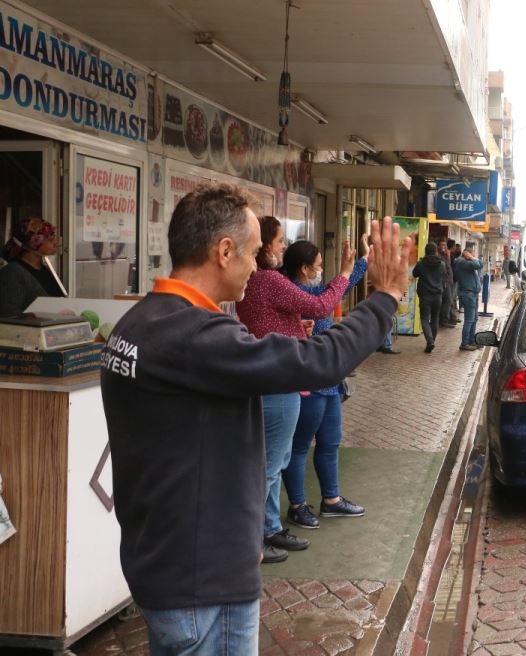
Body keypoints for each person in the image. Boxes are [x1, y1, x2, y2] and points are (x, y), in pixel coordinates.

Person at [100, 184, 407, 655]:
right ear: (224, 251)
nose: (260, 264)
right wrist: (383, 297)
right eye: (253, 253)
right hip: (204, 582)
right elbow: (318, 361)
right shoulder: (193, 337)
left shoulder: (139, 323)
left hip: (166, 564)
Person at [236, 216, 357, 563]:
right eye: (277, 243)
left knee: (277, 460)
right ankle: (257, 539)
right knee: (272, 464)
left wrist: (292, 325)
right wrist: (346, 273)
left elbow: (271, 320)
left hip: (273, 377)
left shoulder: (258, 282)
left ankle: (271, 527)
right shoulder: (269, 280)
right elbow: (319, 306)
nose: (281, 249)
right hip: (279, 380)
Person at [281, 239, 369, 531]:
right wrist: (352, 268)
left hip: (329, 382)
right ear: (304, 269)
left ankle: (331, 500)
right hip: (308, 382)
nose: (321, 271)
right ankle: (297, 505)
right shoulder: (295, 292)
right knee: (299, 447)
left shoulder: (315, 290)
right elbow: (329, 294)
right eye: (318, 267)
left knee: (330, 442)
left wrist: (360, 262)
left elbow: (335, 289)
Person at [0, 218, 65, 317]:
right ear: (34, 242)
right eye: (51, 239)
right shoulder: (12, 273)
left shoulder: (45, 269)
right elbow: (9, 314)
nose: (57, 243)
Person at [412, 242, 448, 353]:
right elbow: (444, 276)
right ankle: (431, 341)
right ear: (436, 251)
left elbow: (414, 274)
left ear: (426, 251)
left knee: (424, 319)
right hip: (438, 296)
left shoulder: (421, 264)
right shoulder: (442, 264)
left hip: (425, 296)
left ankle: (430, 341)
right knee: (435, 319)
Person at [454, 242, 483, 351]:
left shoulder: (465, 263)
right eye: (472, 255)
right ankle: (465, 343)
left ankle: (471, 340)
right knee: (469, 320)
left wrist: (471, 257)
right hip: (468, 294)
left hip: (472, 294)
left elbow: (479, 264)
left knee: (474, 318)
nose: (473, 257)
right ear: (467, 254)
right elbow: (479, 264)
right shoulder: (462, 262)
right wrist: (471, 257)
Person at [438, 238, 458, 327]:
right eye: (442, 245)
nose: (444, 247)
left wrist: (448, 256)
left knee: (447, 301)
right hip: (443, 282)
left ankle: (445, 319)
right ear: (438, 246)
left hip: (448, 282)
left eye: (445, 245)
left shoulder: (446, 255)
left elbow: (448, 267)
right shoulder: (438, 256)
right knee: (447, 300)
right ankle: (443, 320)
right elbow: (443, 269)